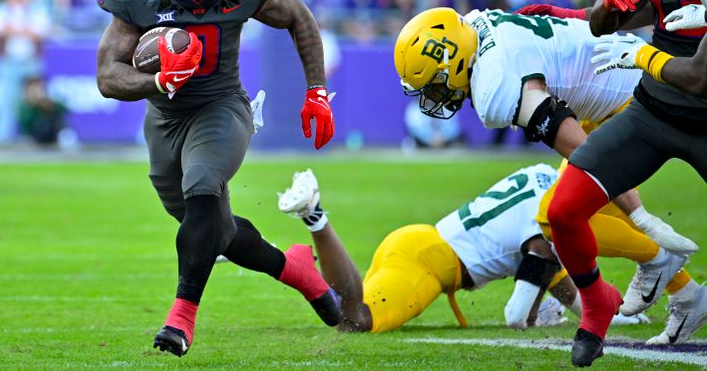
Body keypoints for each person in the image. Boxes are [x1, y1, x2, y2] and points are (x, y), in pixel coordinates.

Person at [95, 0, 340, 358]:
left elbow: (299, 18)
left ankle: (181, 318)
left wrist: (317, 90)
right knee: (214, 230)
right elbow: (108, 76)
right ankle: (296, 270)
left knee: (204, 184)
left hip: (221, 107)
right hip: (165, 119)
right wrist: (158, 80)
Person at [392, 7, 707, 350]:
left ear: (451, 62)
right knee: (571, 214)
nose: (434, 97)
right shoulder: (472, 24)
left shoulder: (493, 85)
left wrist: (638, 212)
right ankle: (689, 296)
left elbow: (580, 148)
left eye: (435, 85)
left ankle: (660, 259)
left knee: (556, 216)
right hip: (613, 86)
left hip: (631, 98)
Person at [533, 0, 707, 366]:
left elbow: (701, 77)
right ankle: (596, 308)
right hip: (656, 111)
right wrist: (612, 5)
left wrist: (642, 57)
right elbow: (604, 21)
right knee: (564, 210)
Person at [276, 166, 650, 333]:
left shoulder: (543, 175)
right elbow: (517, 315)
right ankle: (314, 219)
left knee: (353, 308)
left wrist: (614, 313)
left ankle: (302, 239)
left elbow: (564, 287)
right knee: (354, 320)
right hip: (429, 262)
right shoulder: (548, 223)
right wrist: (544, 309)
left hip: (421, 242)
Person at [0, 0, 51, 144]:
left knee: (35, 102)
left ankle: (34, 136)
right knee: (5, 101)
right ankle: (1, 139)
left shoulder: (37, 9)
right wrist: (23, 30)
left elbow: (39, 33)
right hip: (7, 62)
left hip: (31, 61)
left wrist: (15, 29)